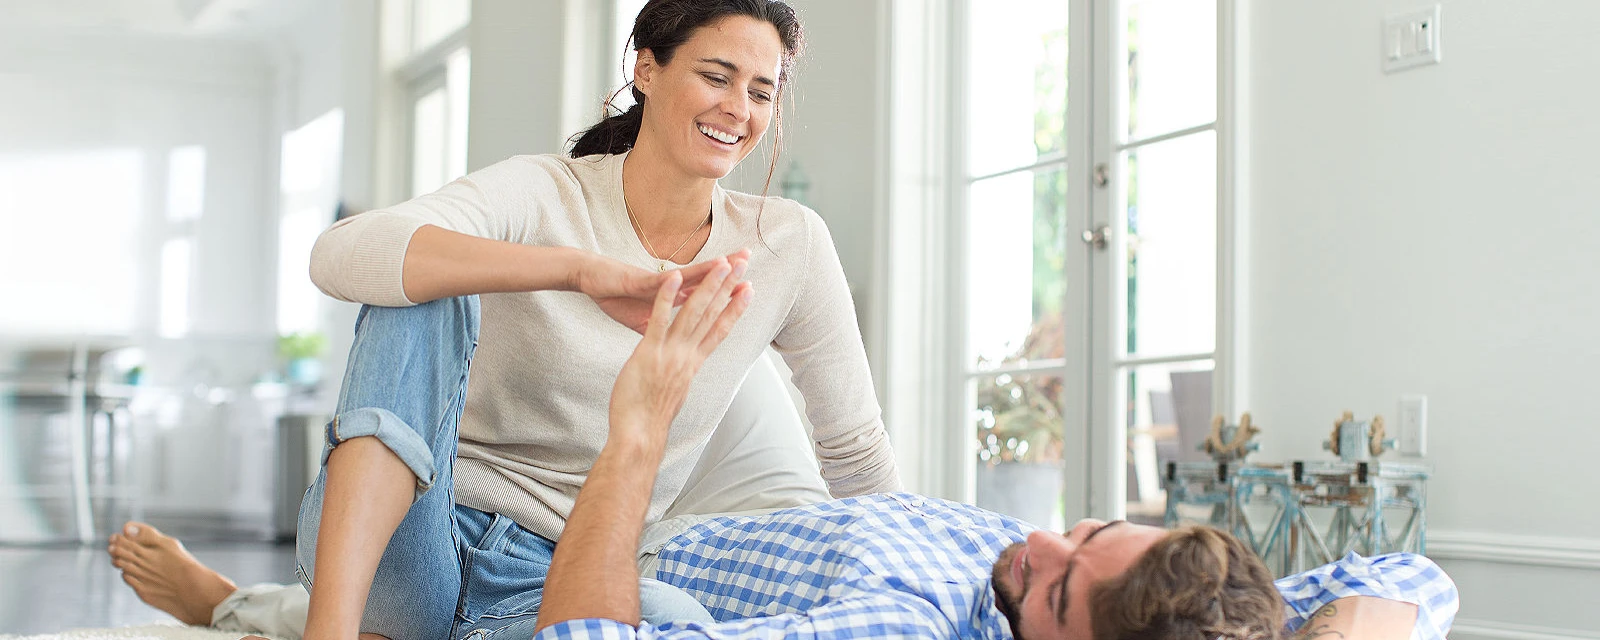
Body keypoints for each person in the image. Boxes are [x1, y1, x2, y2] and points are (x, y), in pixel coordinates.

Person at [111, 320, 1460, 639]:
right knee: (430, 271)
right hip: (718, 517)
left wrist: (636, 429)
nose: (1037, 552)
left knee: (408, 301)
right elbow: (1406, 571)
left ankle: (276, 613)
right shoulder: (1193, 592)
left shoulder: (904, 630)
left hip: (515, 595)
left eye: (1053, 598)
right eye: (1082, 533)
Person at [290, 0, 898, 638]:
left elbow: (853, 450)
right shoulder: (544, 192)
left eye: (761, 91)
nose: (738, 109)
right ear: (646, 69)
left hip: (562, 574)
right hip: (410, 534)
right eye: (716, 77)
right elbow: (342, 253)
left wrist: (923, 574)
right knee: (420, 286)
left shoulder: (787, 246)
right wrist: (575, 271)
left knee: (679, 621)